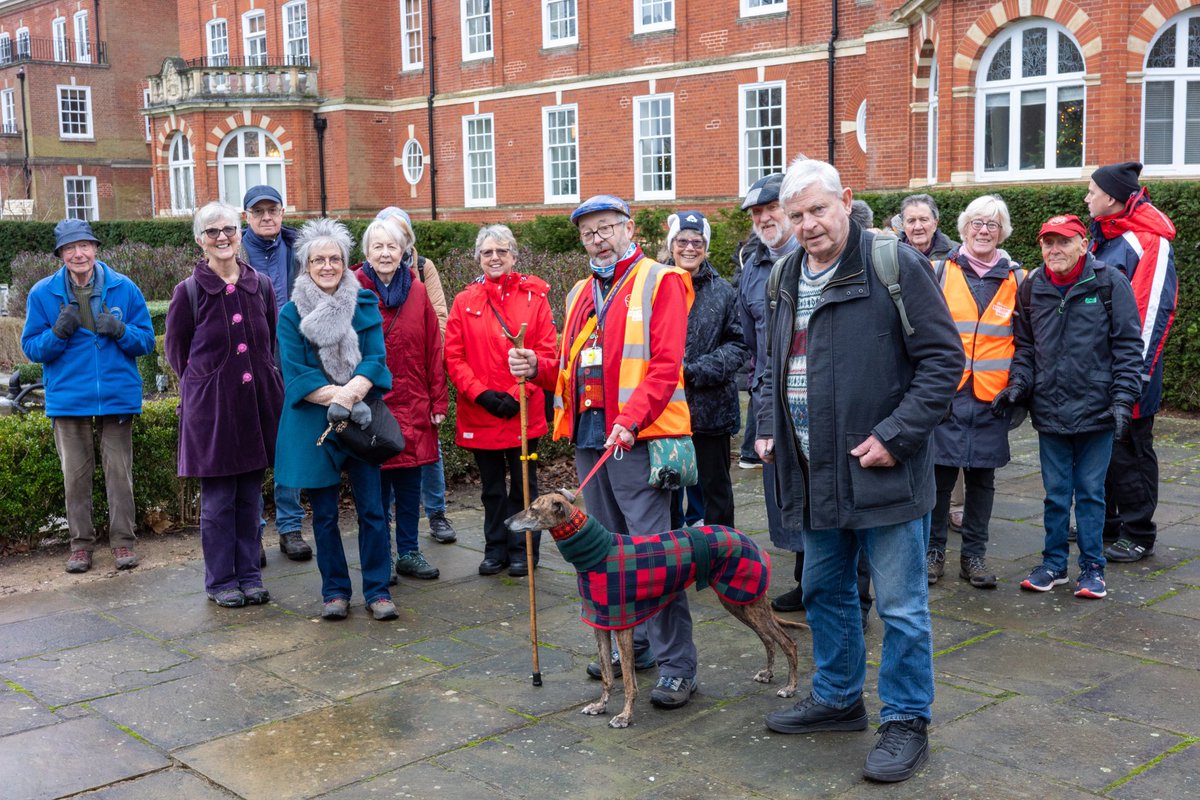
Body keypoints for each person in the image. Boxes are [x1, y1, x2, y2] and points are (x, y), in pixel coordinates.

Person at [757, 158, 961, 783]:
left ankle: (906, 719)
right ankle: (839, 698)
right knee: (825, 592)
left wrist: (895, 437)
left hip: (881, 470)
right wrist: (768, 424)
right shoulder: (784, 273)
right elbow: (771, 361)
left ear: (846, 201)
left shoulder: (893, 264)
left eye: (818, 209)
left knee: (901, 607)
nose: (808, 225)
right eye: (796, 215)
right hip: (812, 471)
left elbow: (943, 360)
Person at [508, 194, 700, 710]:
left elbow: (665, 366)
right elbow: (572, 368)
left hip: (639, 439)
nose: (598, 239)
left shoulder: (661, 280)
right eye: (588, 233)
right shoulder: (579, 291)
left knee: (655, 556)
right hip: (590, 439)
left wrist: (630, 421)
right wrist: (538, 368)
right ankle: (635, 646)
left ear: (629, 228)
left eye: (607, 228)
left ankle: (677, 666)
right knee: (608, 556)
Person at [994, 214, 1143, 600]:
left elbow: (1128, 347)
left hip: (1097, 410)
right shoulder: (1032, 287)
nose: (1055, 249)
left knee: (1091, 492)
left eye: (1063, 241)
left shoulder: (1110, 283)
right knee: (1056, 493)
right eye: (1048, 242)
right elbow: (1025, 348)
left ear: (1083, 244)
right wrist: (1018, 385)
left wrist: (1123, 400)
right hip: (1050, 410)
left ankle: (1093, 568)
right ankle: (1054, 564)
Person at [274, 218, 398, 621]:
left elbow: (376, 358)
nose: (327, 266)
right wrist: (338, 397)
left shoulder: (364, 303)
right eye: (318, 260)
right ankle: (335, 592)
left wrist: (352, 393)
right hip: (315, 422)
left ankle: (378, 590)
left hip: (360, 420)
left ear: (345, 263)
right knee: (325, 515)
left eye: (334, 259)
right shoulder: (290, 314)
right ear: (306, 265)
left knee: (373, 510)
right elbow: (296, 372)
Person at [165, 201, 284, 608]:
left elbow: (269, 340)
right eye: (212, 231)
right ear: (200, 240)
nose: (222, 237)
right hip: (213, 412)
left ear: (239, 233)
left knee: (250, 499)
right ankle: (221, 581)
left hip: (256, 407)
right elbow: (178, 354)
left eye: (229, 229)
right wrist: (210, 383)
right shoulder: (189, 292)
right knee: (218, 503)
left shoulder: (260, 285)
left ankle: (250, 575)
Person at [21, 219, 155, 574]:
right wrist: (57, 334)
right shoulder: (42, 293)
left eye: (84, 245)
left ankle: (123, 542)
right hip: (69, 398)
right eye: (69, 248)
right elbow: (31, 348)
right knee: (76, 477)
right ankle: (80, 546)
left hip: (116, 395)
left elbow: (147, 341)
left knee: (119, 473)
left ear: (95, 248)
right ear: (60, 254)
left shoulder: (124, 288)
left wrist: (121, 330)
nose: (78, 254)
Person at [445, 224, 557, 575]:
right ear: (478, 258)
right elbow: (454, 356)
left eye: (501, 251)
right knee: (491, 488)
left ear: (514, 256)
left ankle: (524, 549)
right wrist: (481, 394)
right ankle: (494, 547)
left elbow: (546, 352)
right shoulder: (464, 301)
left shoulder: (535, 297)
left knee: (525, 486)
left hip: (523, 408)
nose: (494, 257)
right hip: (482, 410)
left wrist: (517, 392)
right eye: (487, 252)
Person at [925, 195, 1023, 590]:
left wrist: (1017, 387)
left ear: (1002, 233)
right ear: (964, 228)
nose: (984, 231)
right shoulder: (938, 271)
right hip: (945, 396)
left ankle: (974, 557)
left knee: (982, 482)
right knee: (938, 480)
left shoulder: (1018, 279)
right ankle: (933, 553)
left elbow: (1026, 342)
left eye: (992, 225)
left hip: (992, 399)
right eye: (977, 223)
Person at [1085, 162, 1178, 563]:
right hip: (1100, 367)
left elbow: (1153, 311)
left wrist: (1133, 377)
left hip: (1131, 370)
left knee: (1132, 450)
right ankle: (1107, 522)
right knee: (1103, 447)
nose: (1087, 198)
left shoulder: (1148, 240)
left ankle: (1138, 531)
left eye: (1092, 192)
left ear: (1111, 197)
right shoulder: (1106, 235)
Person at [354, 218, 448, 583]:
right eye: (377, 246)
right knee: (375, 490)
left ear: (404, 251)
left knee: (410, 484)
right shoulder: (353, 289)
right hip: (372, 406)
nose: (385, 253)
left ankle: (409, 551)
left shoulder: (418, 290)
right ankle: (381, 557)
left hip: (414, 402)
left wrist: (438, 402)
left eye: (392, 246)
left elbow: (433, 348)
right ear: (366, 252)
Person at [734, 173, 806, 613]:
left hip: (818, 396)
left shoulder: (817, 254)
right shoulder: (753, 267)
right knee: (787, 494)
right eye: (756, 213)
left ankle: (852, 595)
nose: (763, 218)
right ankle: (806, 581)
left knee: (830, 496)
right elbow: (752, 343)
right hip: (772, 403)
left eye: (771, 208)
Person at [239, 184, 313, 563]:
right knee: (250, 447)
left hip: (292, 357)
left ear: (283, 213)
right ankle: (252, 532)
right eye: (258, 212)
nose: (266, 217)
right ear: (246, 217)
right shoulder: (233, 252)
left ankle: (290, 527)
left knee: (289, 444)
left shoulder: (301, 250)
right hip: (248, 360)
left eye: (273, 210)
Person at [376, 207, 458, 546]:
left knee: (428, 448)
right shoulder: (367, 275)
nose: (390, 244)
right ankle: (387, 523)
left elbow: (439, 315)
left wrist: (424, 346)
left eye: (399, 235)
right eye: (384, 235)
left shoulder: (423, 268)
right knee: (386, 453)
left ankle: (436, 513)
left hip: (416, 373)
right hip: (382, 379)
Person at [663, 210, 749, 529]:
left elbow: (739, 344)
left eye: (697, 242)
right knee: (666, 488)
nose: (689, 248)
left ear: (706, 247)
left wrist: (694, 370)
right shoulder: (653, 286)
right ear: (671, 245)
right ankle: (672, 550)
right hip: (664, 409)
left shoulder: (723, 291)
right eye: (682, 241)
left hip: (711, 409)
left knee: (716, 491)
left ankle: (721, 549)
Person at [898, 194, 958, 260]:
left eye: (923, 220)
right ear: (903, 226)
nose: (918, 227)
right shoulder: (893, 255)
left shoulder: (957, 253)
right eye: (911, 221)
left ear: (935, 224)